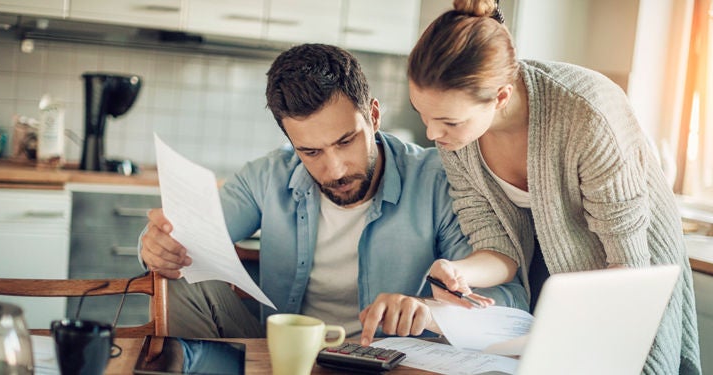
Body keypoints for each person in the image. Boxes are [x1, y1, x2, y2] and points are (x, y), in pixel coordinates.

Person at [139, 43, 527, 346]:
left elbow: (509, 302)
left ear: (373, 116)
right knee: (177, 273)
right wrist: (157, 245)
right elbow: (188, 237)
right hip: (281, 353)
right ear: (291, 141)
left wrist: (429, 311)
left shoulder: (438, 180)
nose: (336, 169)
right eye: (311, 152)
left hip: (386, 359)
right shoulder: (266, 176)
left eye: (346, 141)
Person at [406, 0, 701, 374]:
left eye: (447, 120)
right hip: (554, 278)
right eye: (423, 115)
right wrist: (459, 271)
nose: (433, 133)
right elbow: (498, 248)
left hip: (629, 270)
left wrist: (571, 327)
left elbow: (627, 267)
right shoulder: (458, 141)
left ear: (500, 97)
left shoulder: (588, 113)